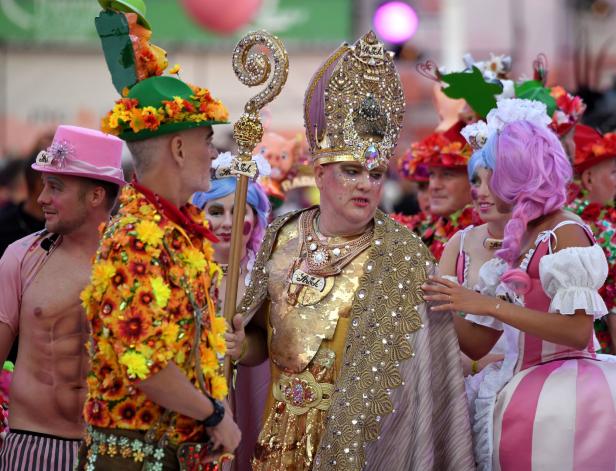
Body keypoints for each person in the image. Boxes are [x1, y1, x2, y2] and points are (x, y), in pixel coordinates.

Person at [226, 31, 474, 471]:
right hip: (278, 441)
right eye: (351, 171)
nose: (365, 184)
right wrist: (235, 345)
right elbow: (257, 339)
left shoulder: (404, 256)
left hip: (366, 445)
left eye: (376, 174)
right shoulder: (283, 235)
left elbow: (425, 381)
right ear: (319, 173)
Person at [423, 118, 616, 471]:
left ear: (519, 174)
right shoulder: (517, 240)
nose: (479, 190)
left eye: (491, 176)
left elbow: (576, 332)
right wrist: (443, 298)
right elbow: (478, 344)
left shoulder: (565, 231)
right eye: (476, 180)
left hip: (569, 394)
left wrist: (488, 305)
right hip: (514, 386)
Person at [77, 72, 241, 470]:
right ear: (180, 148)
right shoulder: (137, 236)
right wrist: (215, 416)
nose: (215, 154)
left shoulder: (180, 230)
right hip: (136, 457)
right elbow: (145, 363)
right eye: (208, 141)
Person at [0, 125, 125, 470]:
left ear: (96, 196)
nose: (41, 199)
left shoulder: (138, 267)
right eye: (43, 185)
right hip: (31, 447)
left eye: (55, 187)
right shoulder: (21, 257)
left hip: (117, 453)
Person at [192, 152, 272, 471]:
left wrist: (243, 348)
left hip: (243, 405)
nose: (227, 222)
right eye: (216, 211)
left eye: (238, 211)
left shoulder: (265, 276)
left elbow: (266, 344)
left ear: (255, 218)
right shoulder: (183, 270)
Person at [567, 124, 616, 353]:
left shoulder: (550, 222)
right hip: (599, 358)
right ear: (588, 178)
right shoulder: (605, 231)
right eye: (614, 173)